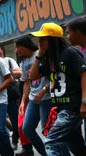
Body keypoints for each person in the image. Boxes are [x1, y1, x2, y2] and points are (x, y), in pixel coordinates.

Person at [29, 22, 86, 156]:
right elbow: (33, 76)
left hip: (71, 108)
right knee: (76, 144)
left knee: (51, 142)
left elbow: (84, 74)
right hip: (59, 108)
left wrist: (84, 102)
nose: (40, 42)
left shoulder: (70, 53)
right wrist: (39, 55)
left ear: (52, 40)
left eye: (43, 39)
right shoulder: (50, 58)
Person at [15, 35, 50, 156]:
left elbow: (54, 76)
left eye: (18, 47)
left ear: (25, 46)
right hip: (32, 100)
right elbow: (26, 82)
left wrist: (44, 90)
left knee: (48, 131)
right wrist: (24, 101)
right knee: (27, 129)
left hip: (47, 99)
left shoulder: (41, 54)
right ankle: (45, 153)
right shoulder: (24, 61)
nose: (16, 50)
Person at [0, 45, 22, 150]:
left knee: (15, 120)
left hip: (10, 95)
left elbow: (19, 73)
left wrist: (6, 71)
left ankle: (15, 139)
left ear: (2, 51)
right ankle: (6, 145)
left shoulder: (8, 60)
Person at [65, 17, 86, 146]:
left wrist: (84, 102)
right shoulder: (80, 52)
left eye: (68, 32)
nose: (67, 36)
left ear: (77, 32)